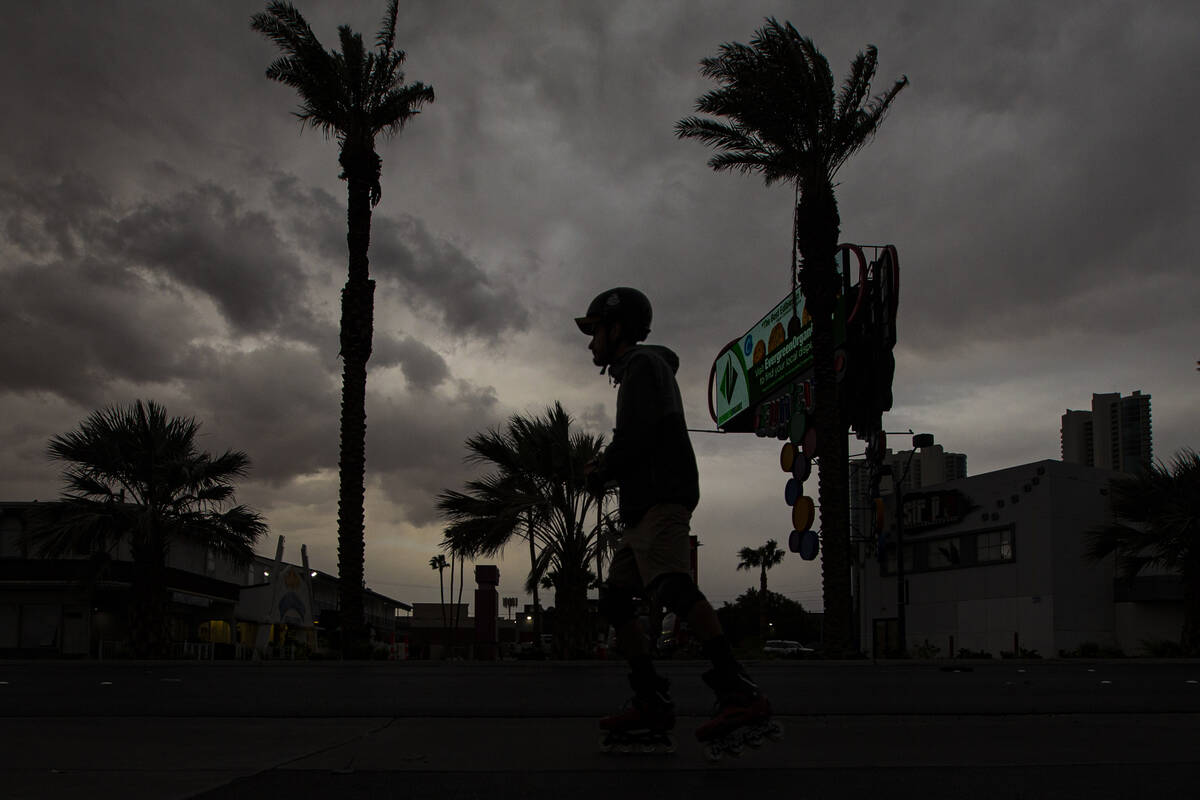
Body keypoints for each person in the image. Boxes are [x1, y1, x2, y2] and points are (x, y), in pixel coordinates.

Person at [576, 287, 772, 753]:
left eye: (594, 331)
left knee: (672, 587)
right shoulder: (638, 372)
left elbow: (637, 438)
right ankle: (650, 698)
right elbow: (636, 438)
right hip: (645, 505)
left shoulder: (643, 368)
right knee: (617, 600)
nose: (590, 343)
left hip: (661, 498)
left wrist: (602, 469)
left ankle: (737, 692)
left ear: (616, 329)